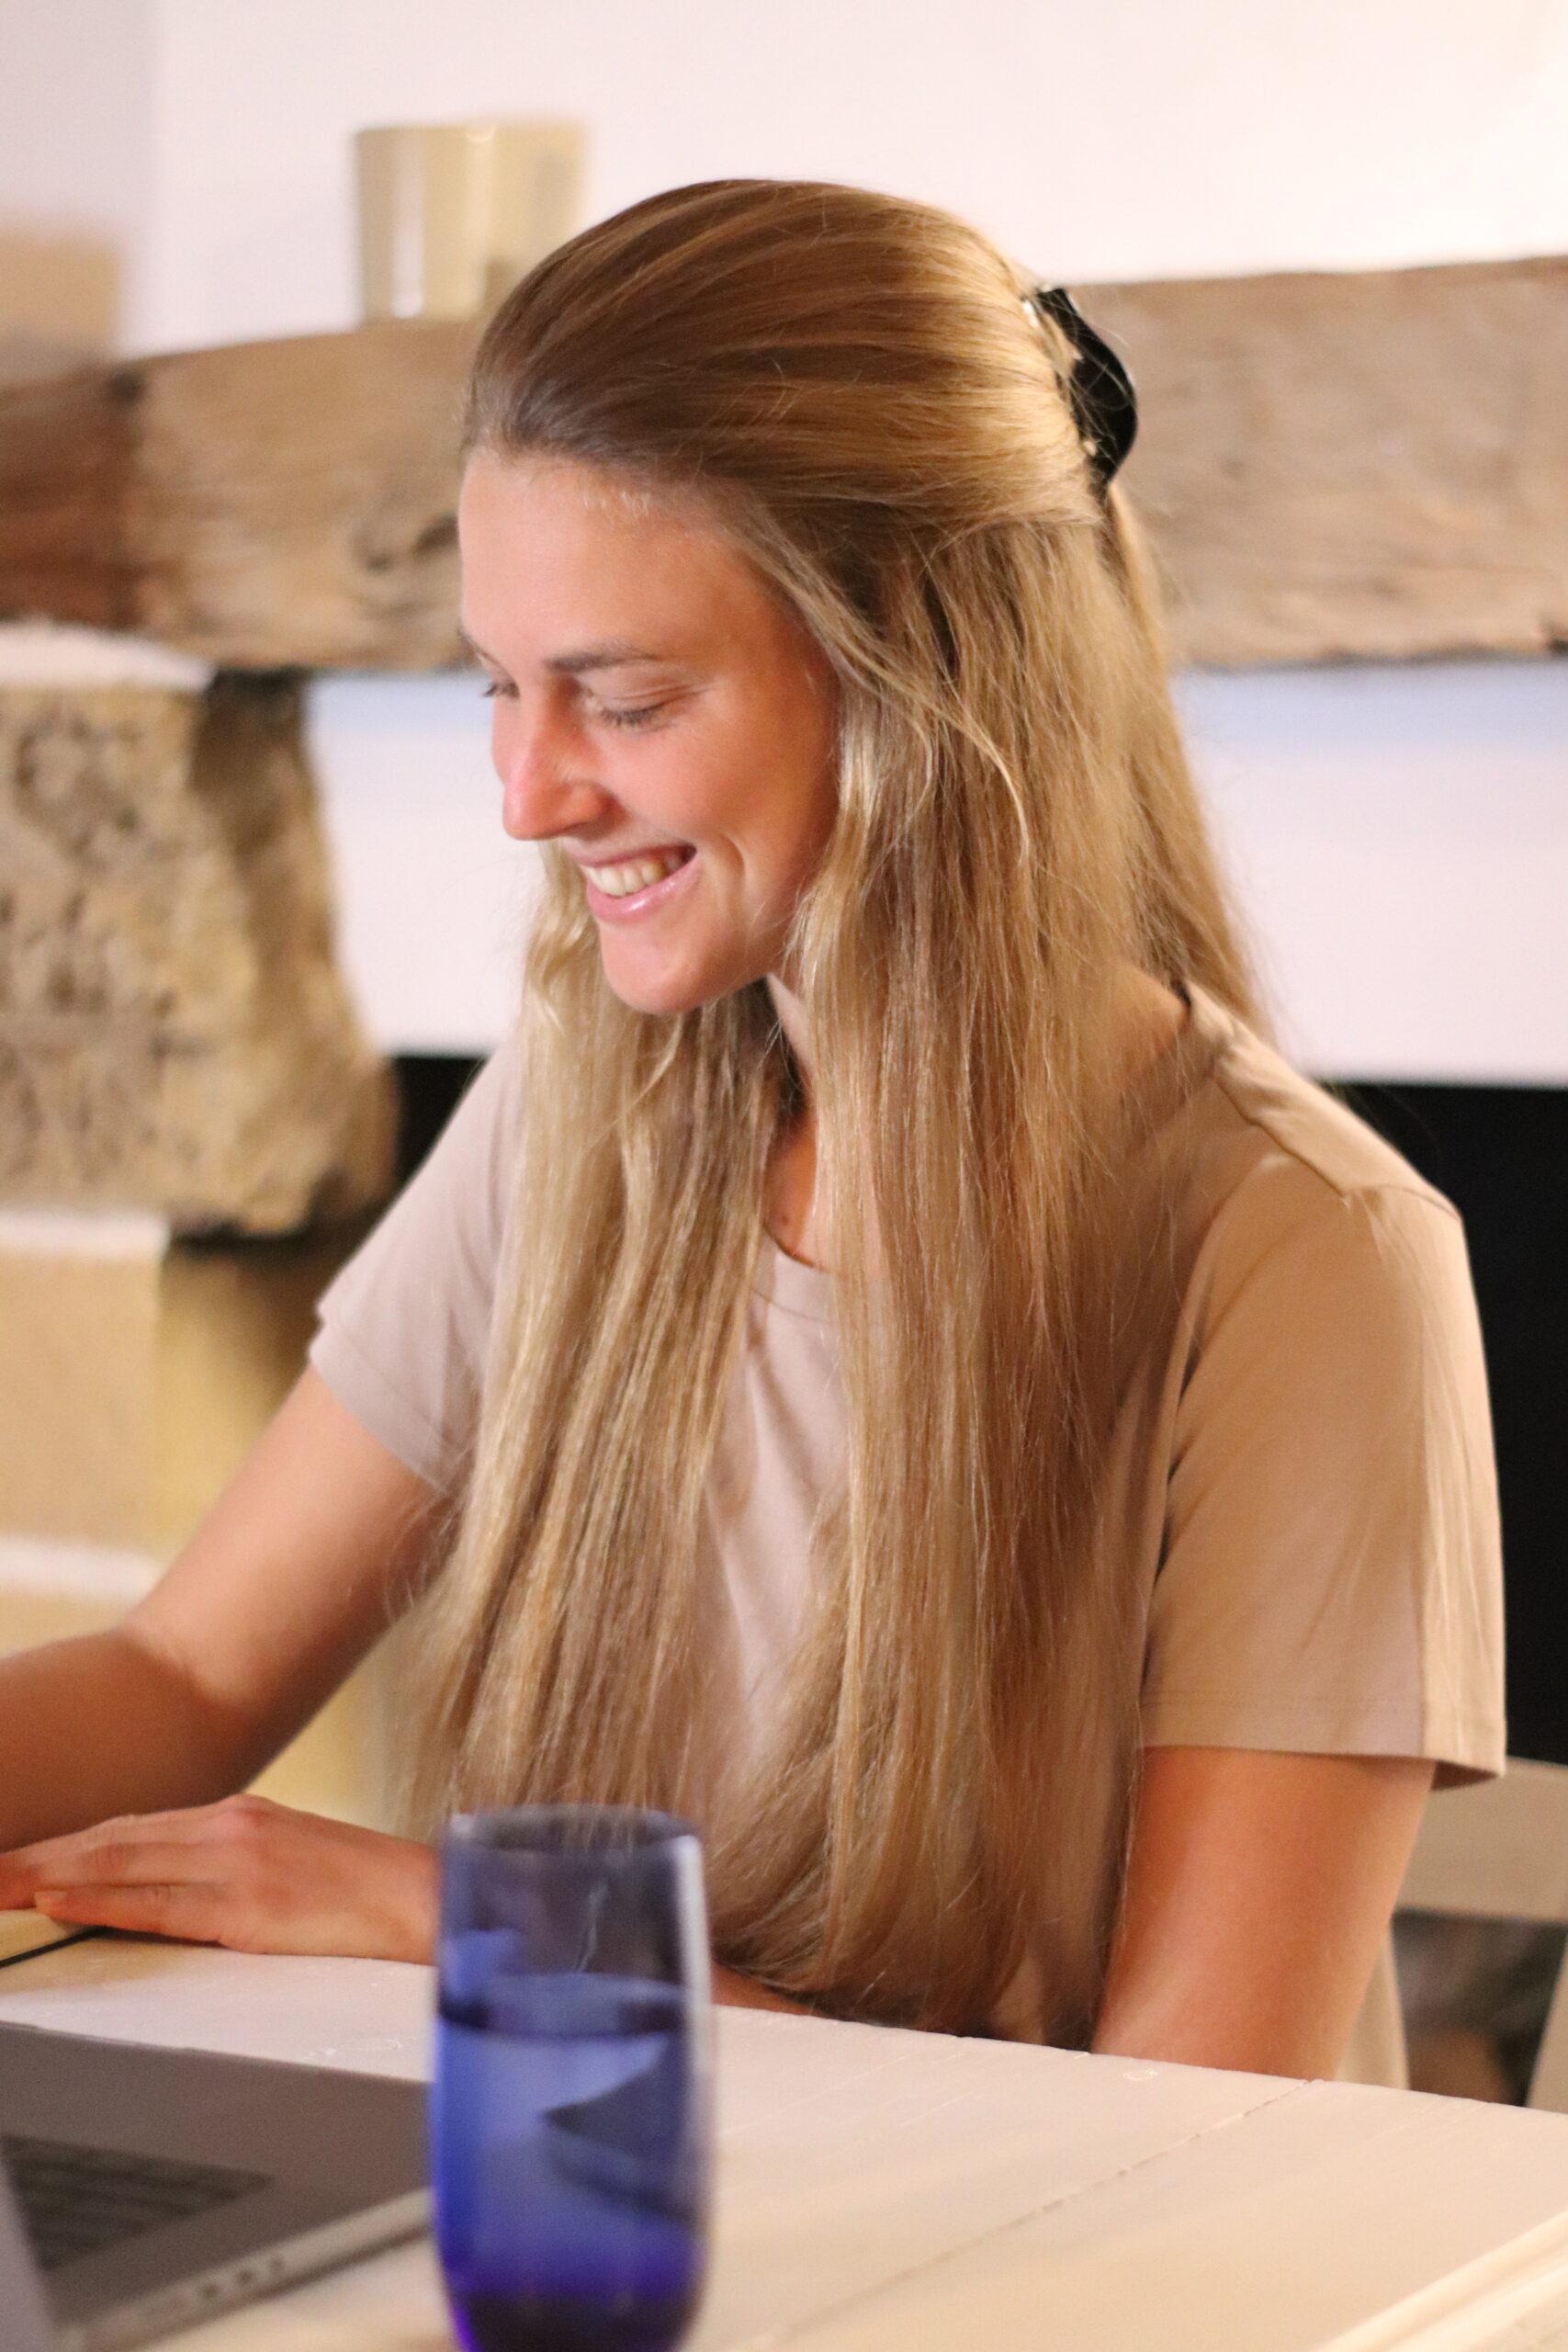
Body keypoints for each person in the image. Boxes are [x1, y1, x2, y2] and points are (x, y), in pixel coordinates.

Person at [0, 180, 1502, 2076]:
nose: (528, 794)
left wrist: (484, 1921)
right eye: (495, 687)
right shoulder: (583, 1103)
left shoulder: (1306, 1256)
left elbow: (1187, 2134)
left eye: (618, 697)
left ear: (918, 680)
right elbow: (182, 1674)